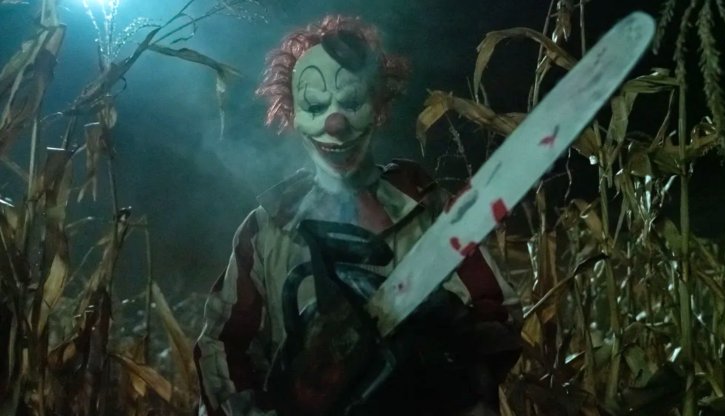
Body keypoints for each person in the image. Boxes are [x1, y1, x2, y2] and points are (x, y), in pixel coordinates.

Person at [194, 15, 522, 416]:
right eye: (316, 106)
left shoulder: (429, 210)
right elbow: (223, 345)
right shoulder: (265, 231)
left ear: (377, 105)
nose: (335, 123)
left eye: (351, 102)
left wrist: (456, 348)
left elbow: (497, 310)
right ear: (294, 114)